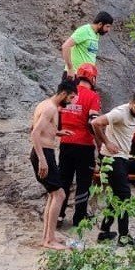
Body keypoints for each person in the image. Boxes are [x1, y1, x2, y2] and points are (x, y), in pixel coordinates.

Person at [91, 90, 135, 246]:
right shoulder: (120, 113)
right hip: (112, 159)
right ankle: (124, 238)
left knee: (118, 196)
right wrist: (106, 142)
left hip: (122, 158)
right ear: (131, 103)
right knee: (124, 197)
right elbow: (95, 123)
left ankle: (104, 231)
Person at [30, 80, 78, 250]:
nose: (71, 101)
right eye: (71, 97)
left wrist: (57, 132)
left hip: (45, 152)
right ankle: (49, 240)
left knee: (54, 195)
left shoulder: (45, 105)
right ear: (63, 93)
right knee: (59, 195)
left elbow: (41, 129)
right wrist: (42, 159)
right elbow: (35, 132)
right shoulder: (50, 108)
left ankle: (48, 236)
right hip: (43, 153)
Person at [57, 63, 102, 228]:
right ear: (92, 78)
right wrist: (100, 142)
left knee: (63, 180)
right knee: (83, 182)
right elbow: (93, 122)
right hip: (84, 144)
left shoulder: (68, 92)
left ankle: (59, 215)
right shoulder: (92, 96)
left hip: (65, 143)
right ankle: (79, 217)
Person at [61, 12, 113, 80]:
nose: (108, 30)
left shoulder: (96, 34)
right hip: (74, 75)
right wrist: (70, 68)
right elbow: (65, 46)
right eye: (107, 26)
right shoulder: (85, 30)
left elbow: (89, 56)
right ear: (100, 24)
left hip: (85, 77)